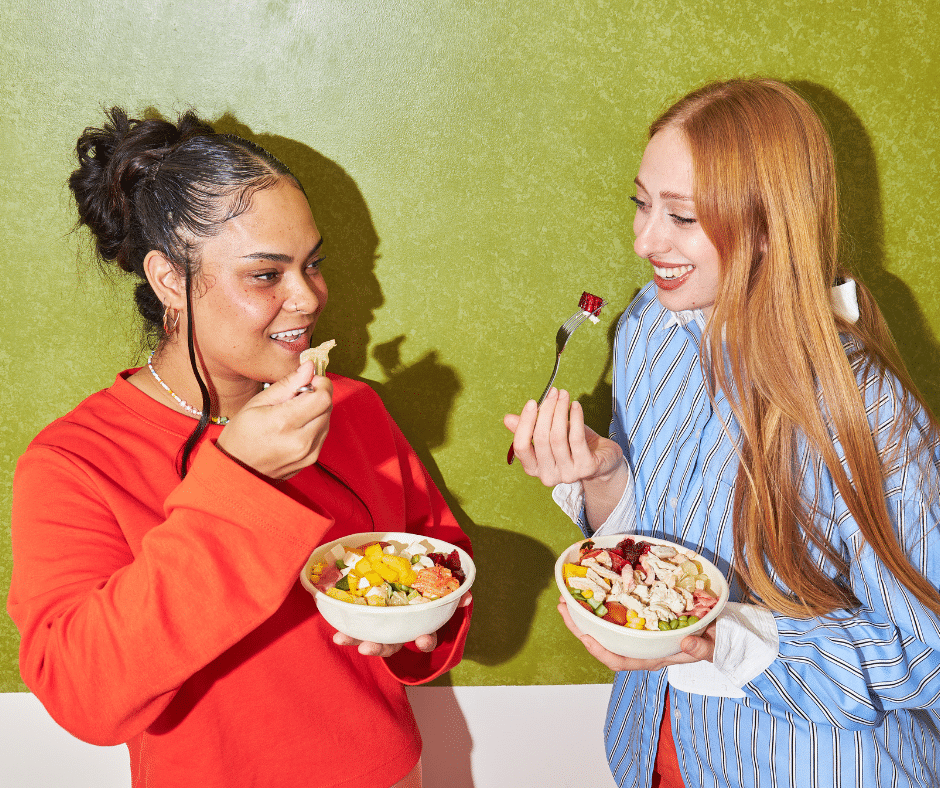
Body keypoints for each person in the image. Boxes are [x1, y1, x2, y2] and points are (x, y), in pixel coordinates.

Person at [8, 108, 472, 788]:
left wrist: (417, 631)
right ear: (170, 279)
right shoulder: (75, 462)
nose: (308, 298)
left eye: (313, 265)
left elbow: (438, 568)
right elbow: (84, 694)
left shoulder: (353, 409)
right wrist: (239, 479)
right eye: (266, 274)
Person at [505, 78, 940, 788]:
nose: (645, 241)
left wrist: (723, 642)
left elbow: (928, 652)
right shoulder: (647, 327)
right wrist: (604, 476)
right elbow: (662, 558)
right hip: (651, 750)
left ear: (770, 226)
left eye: (682, 217)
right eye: (642, 205)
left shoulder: (865, 407)